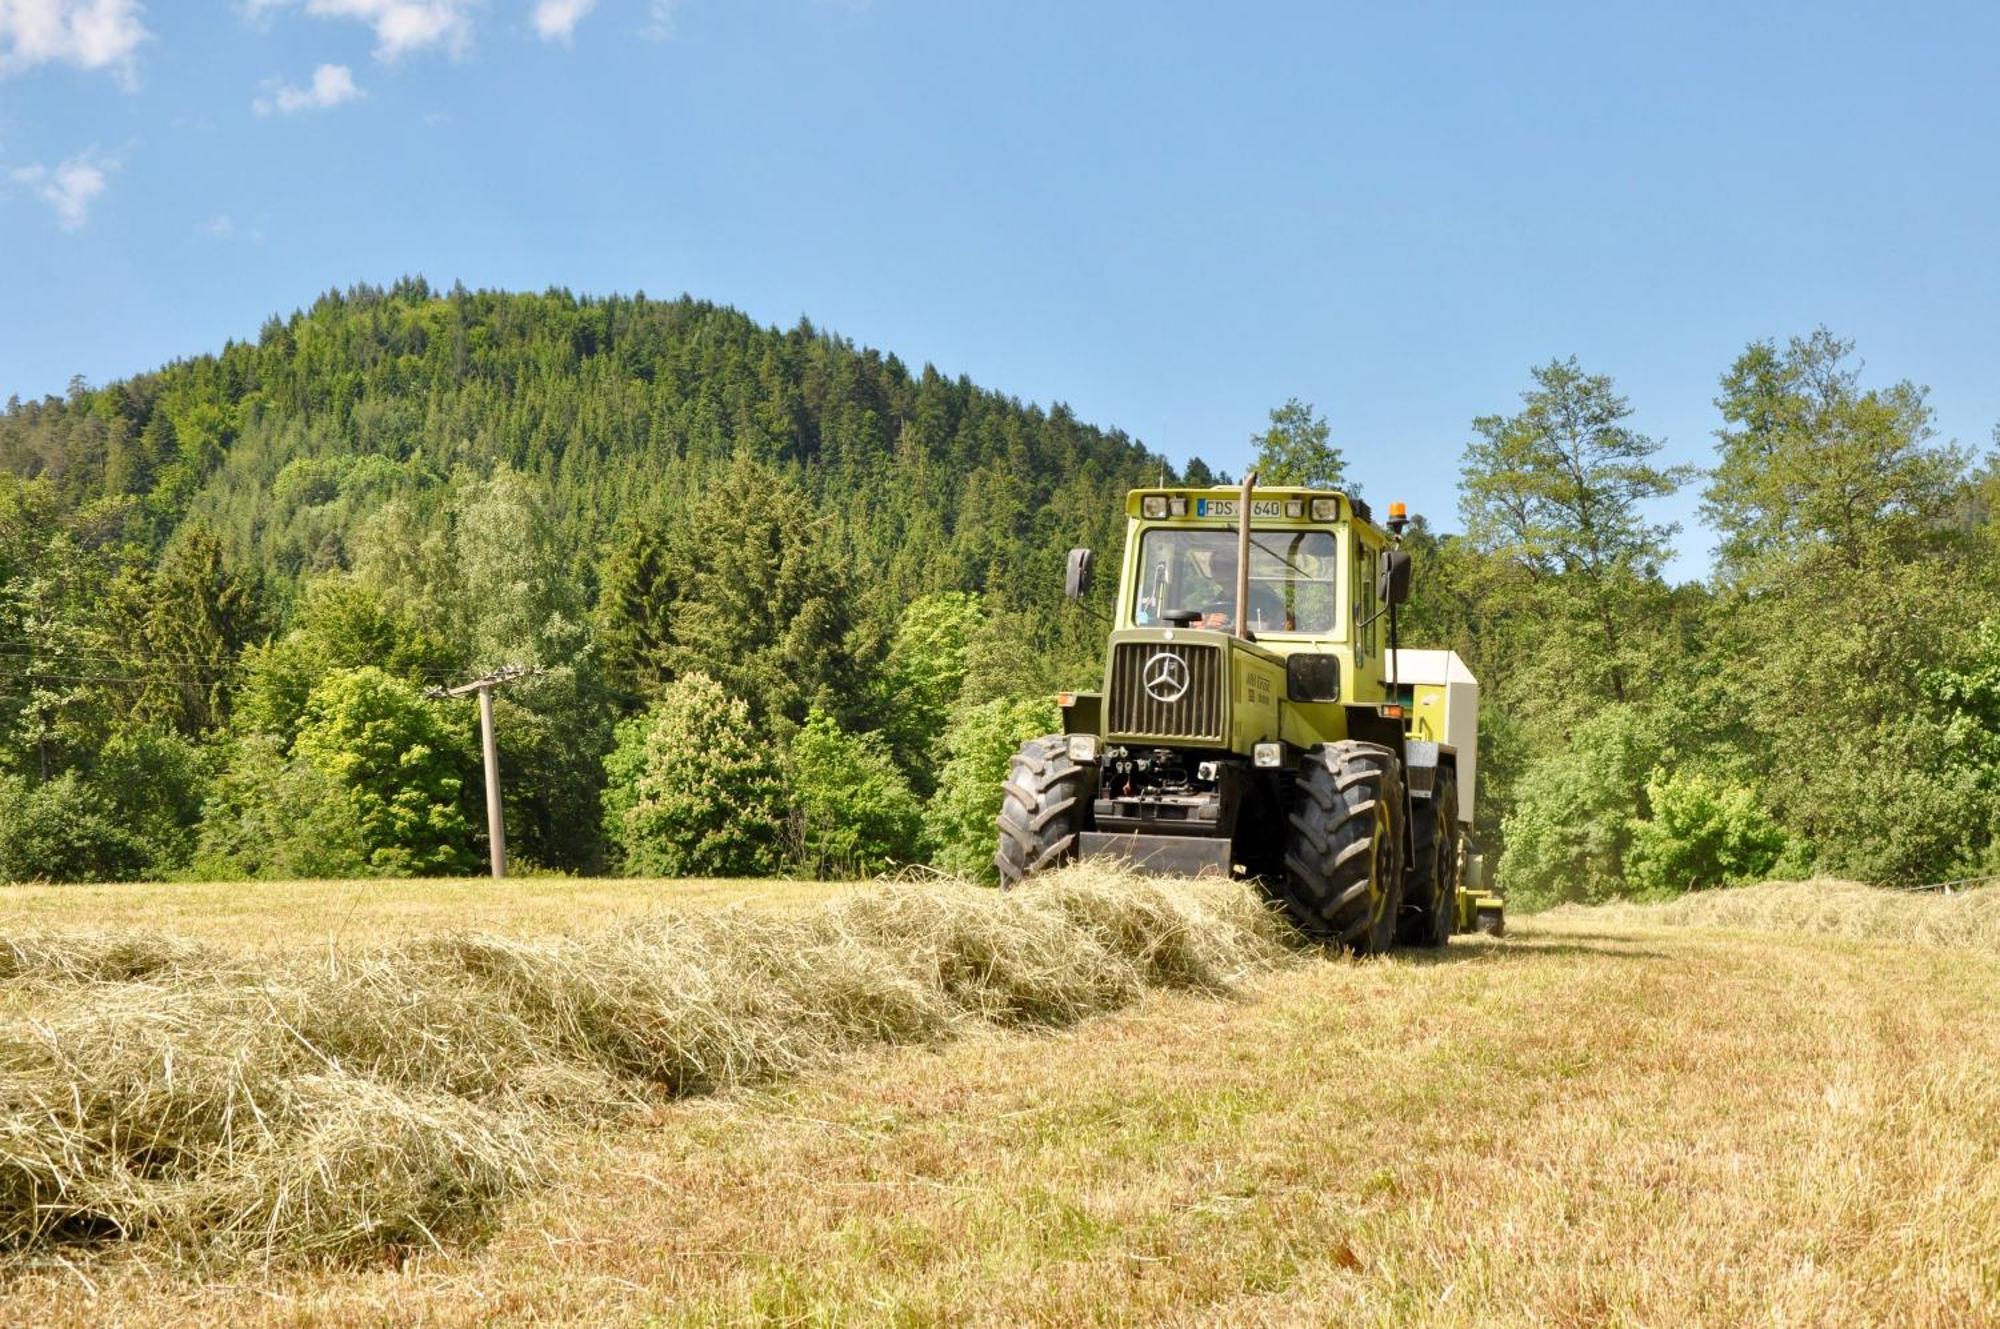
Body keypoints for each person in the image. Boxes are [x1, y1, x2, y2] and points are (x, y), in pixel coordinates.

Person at [1197, 547, 1289, 631]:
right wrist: (1206, 624)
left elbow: (1282, 625)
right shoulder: (1214, 604)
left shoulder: (1265, 599)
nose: (1220, 571)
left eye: (1226, 566)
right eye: (1215, 567)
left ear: (1239, 567)